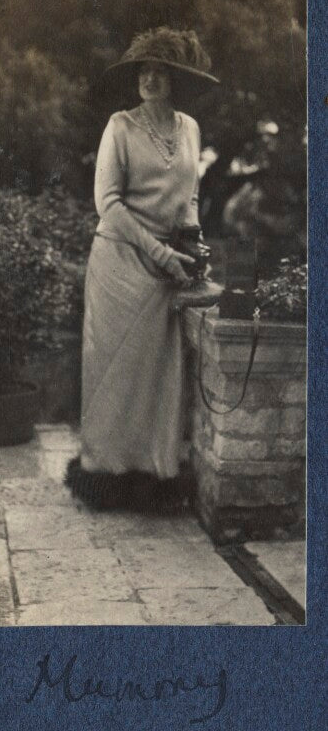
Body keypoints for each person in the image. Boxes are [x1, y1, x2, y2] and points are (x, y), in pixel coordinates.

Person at [65, 26, 219, 513]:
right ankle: (106, 476)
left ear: (175, 80)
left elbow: (189, 196)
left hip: (166, 268)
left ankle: (154, 477)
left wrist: (192, 241)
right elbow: (107, 204)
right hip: (120, 263)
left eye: (160, 72)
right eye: (143, 71)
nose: (149, 79)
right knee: (114, 374)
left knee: (158, 375)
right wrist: (160, 253)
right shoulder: (120, 126)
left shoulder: (190, 128)